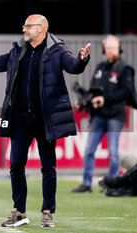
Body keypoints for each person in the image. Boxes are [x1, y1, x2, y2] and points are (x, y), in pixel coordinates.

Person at [0, 14, 91, 228]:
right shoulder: (18, 50)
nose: (24, 30)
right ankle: (19, 212)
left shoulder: (57, 50)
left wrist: (83, 59)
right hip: (20, 118)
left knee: (48, 166)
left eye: (28, 26)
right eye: (24, 26)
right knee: (16, 165)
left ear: (41, 29)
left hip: (44, 118)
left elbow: (73, 66)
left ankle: (47, 212)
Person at [72, 35, 137, 193]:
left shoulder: (124, 69)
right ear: (104, 49)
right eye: (108, 48)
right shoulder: (100, 67)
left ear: (118, 48)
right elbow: (95, 91)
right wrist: (85, 102)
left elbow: (127, 92)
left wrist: (105, 99)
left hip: (115, 115)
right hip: (99, 115)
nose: (110, 51)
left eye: (113, 48)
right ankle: (87, 183)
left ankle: (112, 183)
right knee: (89, 149)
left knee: (113, 151)